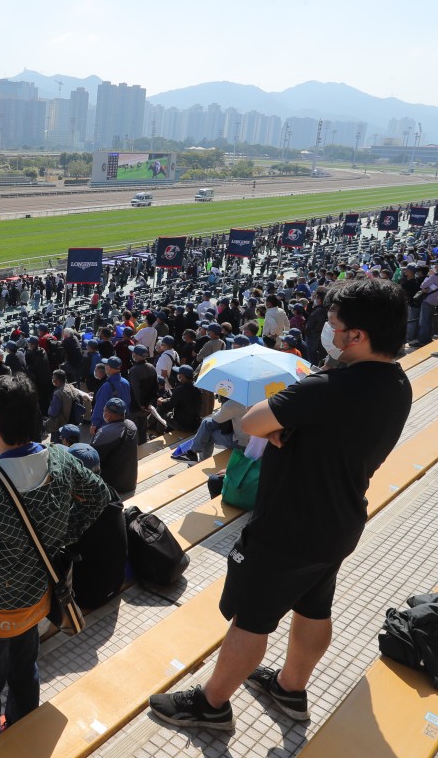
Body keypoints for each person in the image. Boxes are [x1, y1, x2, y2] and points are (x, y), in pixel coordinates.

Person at [150, 278, 413, 731]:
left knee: (252, 618)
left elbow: (252, 422)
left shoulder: (327, 388)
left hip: (289, 524)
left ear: (357, 336)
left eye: (334, 324)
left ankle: (212, 705)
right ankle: (291, 689)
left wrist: (279, 422)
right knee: (314, 607)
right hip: (340, 520)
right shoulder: (399, 384)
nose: (326, 330)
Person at [0, 374, 112, 757]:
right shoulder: (62, 458)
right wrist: (63, 534)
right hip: (36, 599)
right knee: (24, 674)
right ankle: (23, 740)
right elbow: (99, 496)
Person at [175, 394, 250, 464]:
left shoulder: (233, 404)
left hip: (242, 444)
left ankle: (199, 459)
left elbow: (215, 420)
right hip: (257, 442)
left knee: (208, 431)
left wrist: (224, 405)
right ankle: (193, 453)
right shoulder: (256, 399)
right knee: (206, 426)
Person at [91, 398, 139, 495]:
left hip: (112, 487)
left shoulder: (104, 432)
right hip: (130, 482)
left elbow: (92, 458)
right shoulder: (132, 425)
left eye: (105, 410)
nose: (104, 412)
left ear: (109, 413)